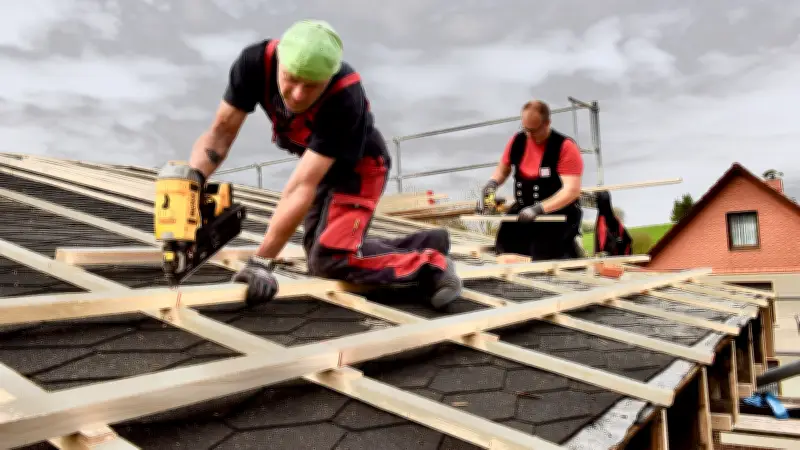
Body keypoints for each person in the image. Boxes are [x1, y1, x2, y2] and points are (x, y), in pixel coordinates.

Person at [170, 20, 462, 309]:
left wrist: (262, 262)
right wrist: (191, 183)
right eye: (291, 79)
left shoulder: (345, 96)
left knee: (329, 260)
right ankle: (430, 240)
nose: (297, 94)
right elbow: (220, 133)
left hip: (360, 169)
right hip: (319, 164)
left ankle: (431, 263)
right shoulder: (254, 64)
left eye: (311, 86)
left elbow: (301, 186)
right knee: (320, 251)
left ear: (329, 78)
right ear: (280, 61)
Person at [477, 99, 584, 260]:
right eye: (526, 129)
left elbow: (572, 190)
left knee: (541, 255)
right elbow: (502, 170)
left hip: (556, 214)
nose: (529, 135)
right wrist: (492, 184)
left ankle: (571, 253)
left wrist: (539, 209)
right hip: (523, 210)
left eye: (534, 130)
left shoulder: (565, 146)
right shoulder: (517, 141)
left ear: (547, 123)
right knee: (504, 248)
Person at [593, 191, 633, 256]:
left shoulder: (613, 221)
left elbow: (627, 239)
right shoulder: (601, 219)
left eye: (598, 200)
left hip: (614, 256)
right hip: (604, 257)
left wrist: (617, 243)